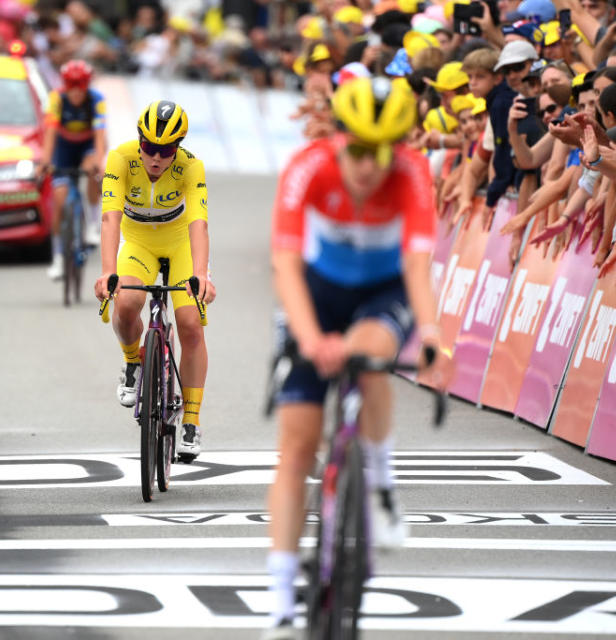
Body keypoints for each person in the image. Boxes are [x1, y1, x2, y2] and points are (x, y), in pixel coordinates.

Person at [263, 76, 447, 639]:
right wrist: (311, 336)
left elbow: (417, 269)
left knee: (370, 355)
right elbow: (286, 265)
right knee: (296, 448)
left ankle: (383, 491)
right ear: (340, 138)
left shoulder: (413, 174)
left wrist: (434, 335)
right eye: (360, 150)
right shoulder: (307, 168)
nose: (371, 165)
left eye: (383, 151)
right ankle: (279, 598)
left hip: (382, 293)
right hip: (318, 292)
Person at [94, 100, 215, 461]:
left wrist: (201, 273)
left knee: (191, 324)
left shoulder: (192, 167)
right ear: (139, 141)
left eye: (165, 150)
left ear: (177, 147)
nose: (156, 158)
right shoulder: (120, 159)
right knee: (127, 301)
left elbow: (199, 224)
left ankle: (191, 420)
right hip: (140, 243)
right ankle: (133, 361)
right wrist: (106, 272)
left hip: (180, 245)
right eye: (149, 147)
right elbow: (110, 219)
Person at [40, 59, 107, 280]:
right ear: (65, 85)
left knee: (92, 169)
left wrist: (100, 162)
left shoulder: (97, 100)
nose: (76, 92)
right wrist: (45, 162)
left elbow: (99, 137)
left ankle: (92, 225)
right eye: (71, 86)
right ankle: (59, 258)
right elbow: (50, 134)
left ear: (87, 85)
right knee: (59, 198)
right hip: (64, 149)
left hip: (87, 146)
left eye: (81, 86)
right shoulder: (56, 99)